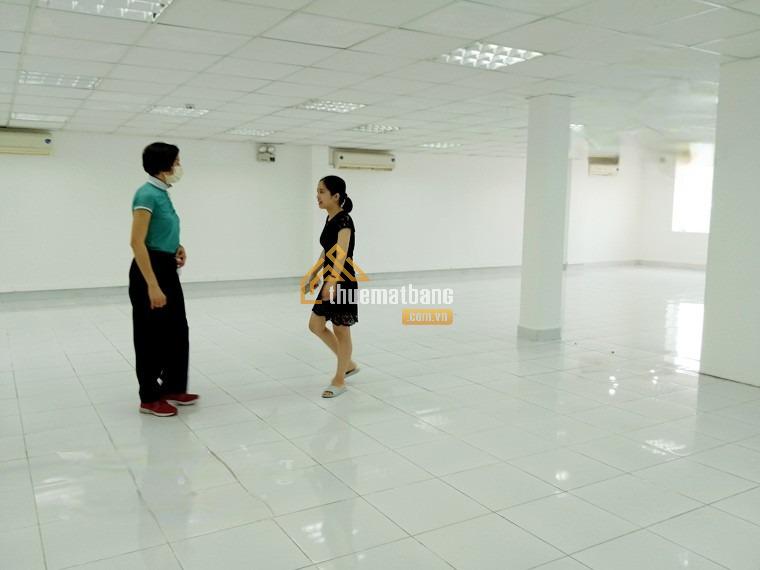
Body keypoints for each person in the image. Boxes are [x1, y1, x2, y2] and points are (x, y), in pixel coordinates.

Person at [128, 142, 198, 417]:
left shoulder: (162, 193)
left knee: (177, 330)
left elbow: (161, 231)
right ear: (164, 165)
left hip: (166, 266)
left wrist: (177, 247)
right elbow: (137, 242)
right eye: (177, 161)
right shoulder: (146, 194)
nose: (179, 167)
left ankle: (173, 387)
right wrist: (153, 286)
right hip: (150, 270)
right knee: (150, 336)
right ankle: (149, 397)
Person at [306, 176, 360, 398]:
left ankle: (339, 380)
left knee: (341, 329)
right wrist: (314, 272)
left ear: (335, 196)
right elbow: (327, 250)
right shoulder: (330, 218)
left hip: (342, 281)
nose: (317, 196)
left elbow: (341, 255)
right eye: (317, 191)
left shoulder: (344, 220)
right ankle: (348, 364)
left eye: (322, 191)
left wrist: (332, 282)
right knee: (315, 325)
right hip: (331, 279)